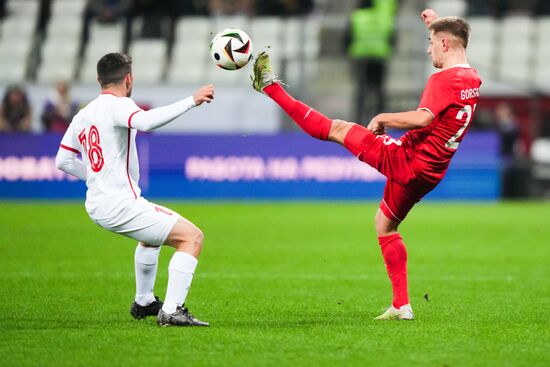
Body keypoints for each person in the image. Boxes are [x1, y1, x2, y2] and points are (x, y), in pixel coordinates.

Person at [251, 9, 482, 320]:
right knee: (384, 224)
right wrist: (436, 25)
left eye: (430, 42)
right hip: (431, 172)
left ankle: (268, 86)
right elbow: (452, 40)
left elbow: (424, 117)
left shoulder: (442, 79)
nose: (428, 48)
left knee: (338, 129)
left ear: (444, 44)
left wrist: (383, 117)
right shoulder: (472, 77)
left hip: (408, 161)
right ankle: (401, 306)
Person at [55, 53, 215, 327]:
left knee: (151, 237)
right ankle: (171, 311)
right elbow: (147, 122)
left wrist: (96, 179)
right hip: (120, 204)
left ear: (98, 79)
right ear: (128, 79)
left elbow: (63, 161)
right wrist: (192, 100)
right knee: (192, 237)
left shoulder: (83, 114)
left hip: (98, 204)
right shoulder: (119, 105)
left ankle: (143, 302)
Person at [346, 0, 397, 123]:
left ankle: (359, 121)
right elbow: (392, 38)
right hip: (380, 57)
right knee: (379, 92)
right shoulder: (384, 18)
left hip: (361, 58)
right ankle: (381, 123)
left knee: (361, 92)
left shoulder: (357, 16)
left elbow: (347, 38)